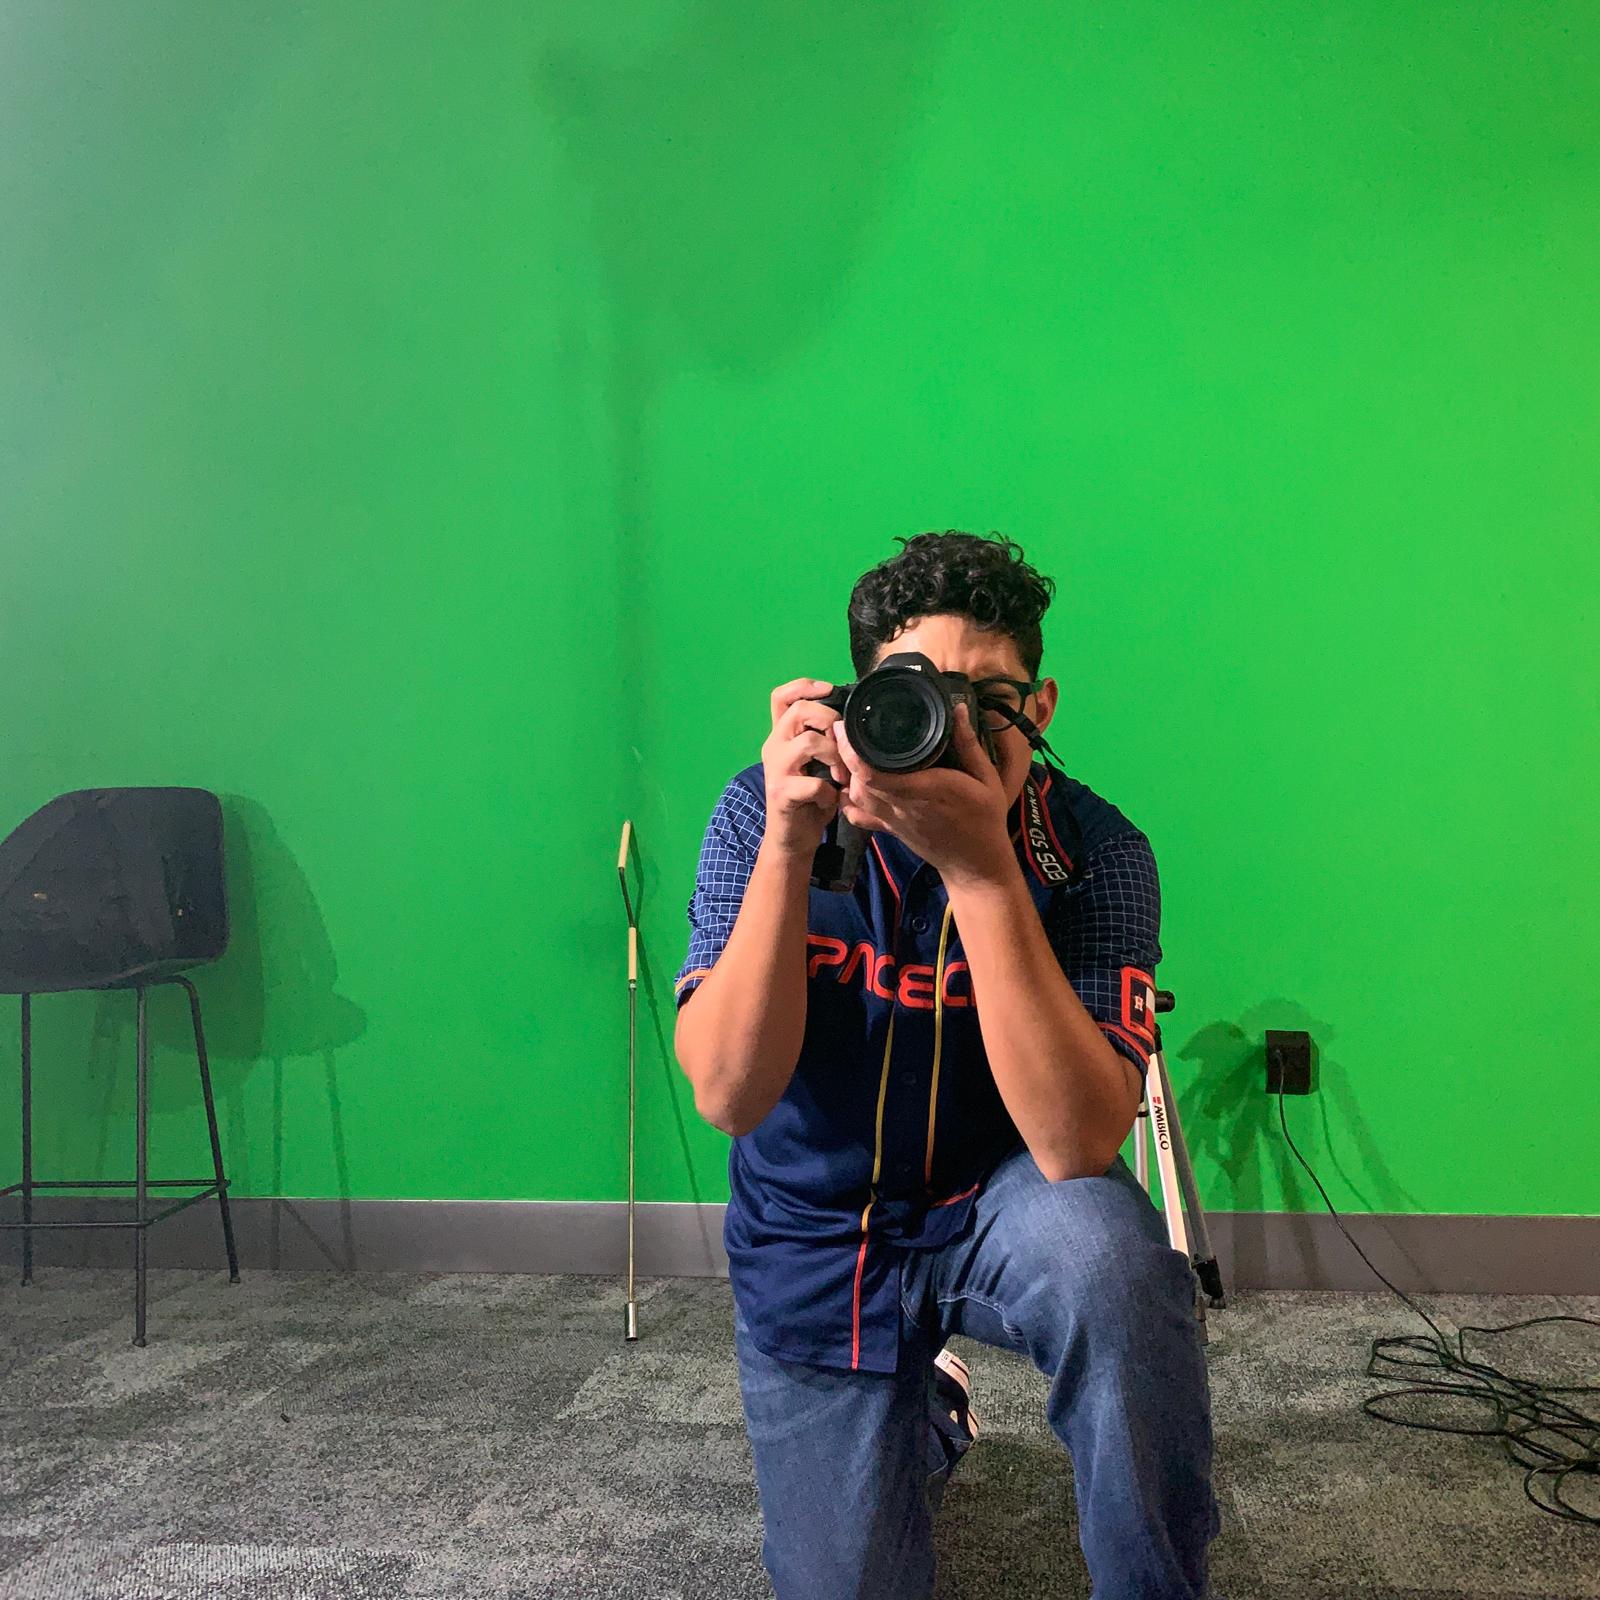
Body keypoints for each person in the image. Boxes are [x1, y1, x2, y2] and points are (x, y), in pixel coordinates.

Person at [673, 531, 1220, 1600]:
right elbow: (730, 1094)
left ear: (1042, 706)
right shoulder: (765, 810)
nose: (956, 731)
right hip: (817, 1227)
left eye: (991, 701)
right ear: (854, 705)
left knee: (1118, 1273)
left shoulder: (1093, 849)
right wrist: (787, 846)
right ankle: (926, 1410)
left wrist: (983, 872)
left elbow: (1077, 1143)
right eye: (922, 696)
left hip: (1004, 1195)